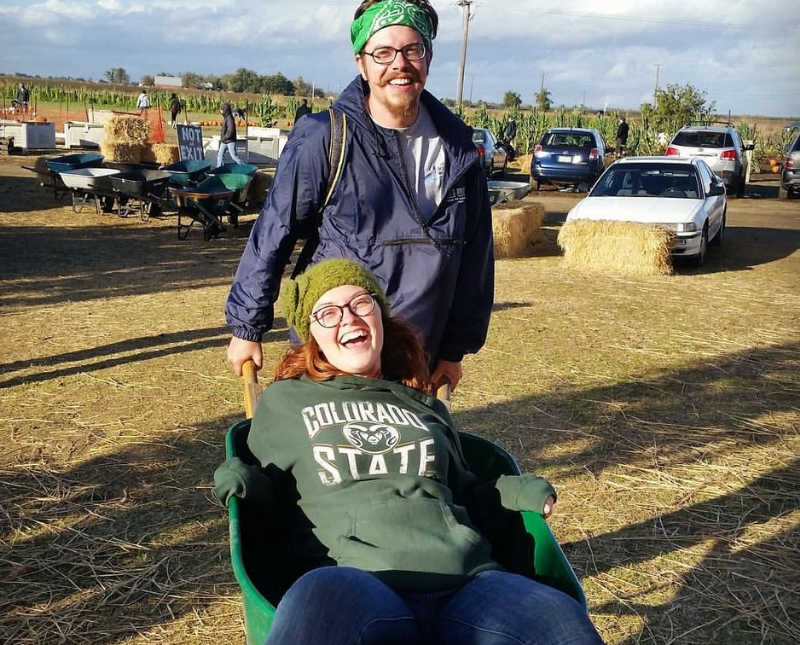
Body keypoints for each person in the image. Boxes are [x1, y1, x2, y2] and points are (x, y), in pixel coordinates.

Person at [214, 258, 604, 645]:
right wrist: (244, 482)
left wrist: (517, 491)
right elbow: (272, 505)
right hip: (355, 580)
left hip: (467, 583)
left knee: (557, 619)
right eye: (329, 313)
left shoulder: (425, 406)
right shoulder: (286, 401)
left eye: (361, 304)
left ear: (380, 316)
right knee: (323, 598)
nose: (349, 319)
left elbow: (464, 490)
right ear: (313, 335)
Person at [225, 0, 494, 394]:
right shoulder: (326, 138)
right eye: (383, 53)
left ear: (428, 57)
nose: (399, 64)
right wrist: (248, 326)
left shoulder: (459, 151)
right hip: (333, 359)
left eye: (412, 50)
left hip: (415, 359)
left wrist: (454, 350)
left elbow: (475, 260)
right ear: (361, 63)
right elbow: (274, 232)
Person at [217, 102, 245, 167]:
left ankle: (245, 167)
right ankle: (219, 169)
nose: (220, 111)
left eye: (221, 109)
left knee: (234, 156)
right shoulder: (226, 117)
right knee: (220, 155)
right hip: (224, 141)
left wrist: (224, 137)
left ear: (225, 110)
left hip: (230, 141)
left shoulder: (230, 119)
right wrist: (223, 138)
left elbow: (231, 131)